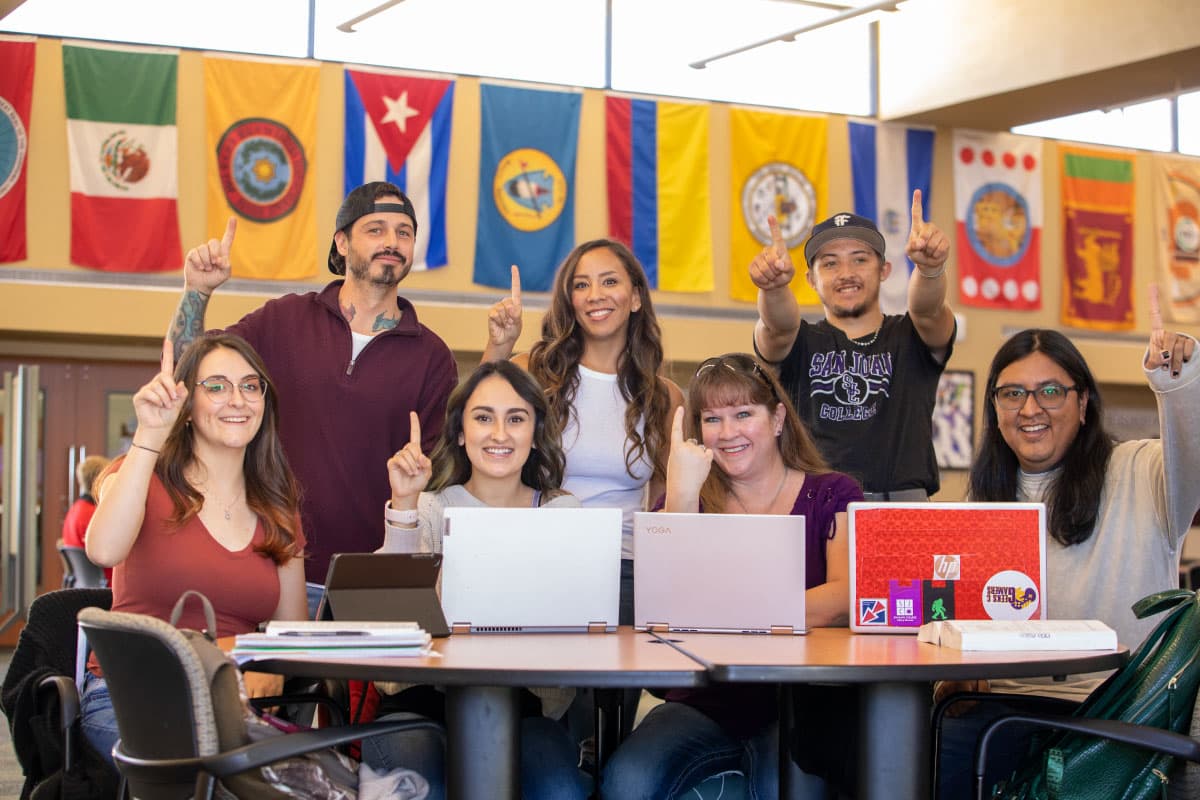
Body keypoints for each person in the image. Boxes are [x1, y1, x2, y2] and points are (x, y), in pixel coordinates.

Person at [938, 289, 1200, 796]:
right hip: (1004, 710)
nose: (1030, 408)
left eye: (1051, 391)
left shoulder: (1141, 470)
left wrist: (1179, 384)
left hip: (1117, 707)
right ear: (995, 409)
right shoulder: (977, 502)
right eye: (1012, 393)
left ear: (1082, 403)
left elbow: (1193, 460)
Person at [168, 181, 458, 606]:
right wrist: (198, 291)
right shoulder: (284, 320)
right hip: (266, 563)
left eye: (404, 232)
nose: (392, 242)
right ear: (341, 242)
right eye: (376, 229)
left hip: (369, 580)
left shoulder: (433, 357)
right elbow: (186, 373)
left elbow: (444, 476)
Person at [599, 353, 863, 800]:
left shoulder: (833, 492)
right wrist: (682, 495)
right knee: (627, 781)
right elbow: (660, 602)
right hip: (707, 700)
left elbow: (842, 596)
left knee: (784, 787)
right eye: (712, 419)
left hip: (801, 702)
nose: (728, 432)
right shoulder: (685, 499)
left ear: (777, 418)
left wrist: (732, 612)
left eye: (743, 414)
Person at [80, 335, 308, 764]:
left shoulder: (279, 506)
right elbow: (103, 551)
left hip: (229, 699)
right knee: (214, 767)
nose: (237, 399)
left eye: (250, 385)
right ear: (187, 407)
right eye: (217, 386)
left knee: (302, 773)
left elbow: (291, 631)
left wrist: (264, 664)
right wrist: (149, 434)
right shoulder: (140, 475)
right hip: (132, 697)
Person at [369, 359, 589, 800]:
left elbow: (568, 657)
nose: (500, 434)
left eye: (516, 419)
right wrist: (404, 505)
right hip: (417, 706)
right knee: (426, 785)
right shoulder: (427, 509)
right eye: (483, 418)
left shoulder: (563, 515)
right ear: (459, 432)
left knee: (558, 788)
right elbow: (388, 629)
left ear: (535, 432)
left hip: (524, 712)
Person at [482, 241, 684, 624]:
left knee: (609, 683)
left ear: (636, 298)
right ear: (569, 301)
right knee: (545, 683)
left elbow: (663, 502)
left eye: (609, 281)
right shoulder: (533, 370)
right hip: (536, 560)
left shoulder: (664, 396)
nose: (595, 296)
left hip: (625, 569)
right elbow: (475, 422)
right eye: (581, 285)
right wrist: (499, 345)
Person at [750, 191, 956, 500]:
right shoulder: (800, 341)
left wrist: (929, 269)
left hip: (901, 508)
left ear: (884, 270)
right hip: (818, 506)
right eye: (830, 264)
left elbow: (927, 309)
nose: (846, 274)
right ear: (810, 279)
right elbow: (778, 327)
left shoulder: (911, 335)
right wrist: (774, 288)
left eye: (860, 259)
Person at [62, 454, 113, 582]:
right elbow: (110, 555)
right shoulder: (94, 515)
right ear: (101, 480)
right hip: (106, 583)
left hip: (84, 583)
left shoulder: (75, 509)